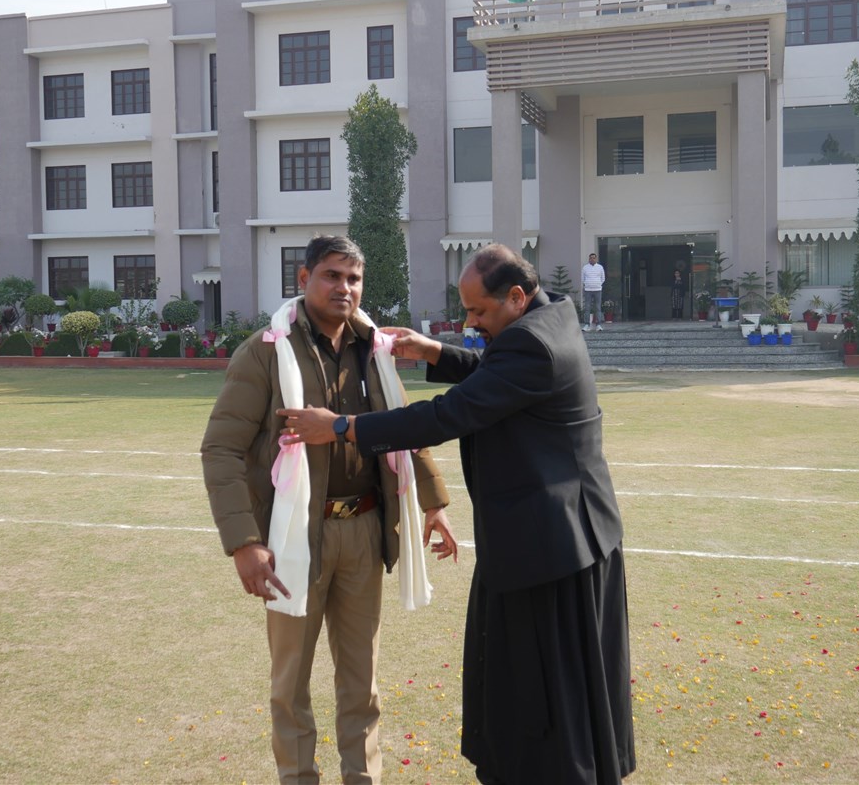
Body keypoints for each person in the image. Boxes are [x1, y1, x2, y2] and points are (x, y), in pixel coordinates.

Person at [280, 244, 636, 785]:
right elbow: (497, 373)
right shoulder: (552, 315)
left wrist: (342, 427)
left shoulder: (533, 345)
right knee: (550, 692)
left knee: (544, 698)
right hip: (564, 540)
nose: (470, 323)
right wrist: (434, 353)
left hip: (550, 552)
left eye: (478, 311)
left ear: (515, 297)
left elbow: (454, 412)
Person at [201, 234, 457, 785]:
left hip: (364, 529)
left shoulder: (375, 349)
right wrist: (244, 542)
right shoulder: (267, 350)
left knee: (361, 681)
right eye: (332, 276)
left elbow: (400, 426)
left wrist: (433, 504)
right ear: (304, 279)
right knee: (291, 683)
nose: (344, 288)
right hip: (294, 538)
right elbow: (221, 448)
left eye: (353, 278)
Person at [581, 251, 606, 332]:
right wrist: (587, 284)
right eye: (591, 258)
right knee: (587, 307)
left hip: (598, 290)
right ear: (589, 259)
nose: (592, 259)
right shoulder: (585, 267)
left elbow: (603, 278)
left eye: (594, 258)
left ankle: (598, 325)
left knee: (598, 307)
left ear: (596, 259)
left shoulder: (600, 267)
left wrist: (598, 284)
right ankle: (586, 325)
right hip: (588, 290)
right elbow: (583, 279)